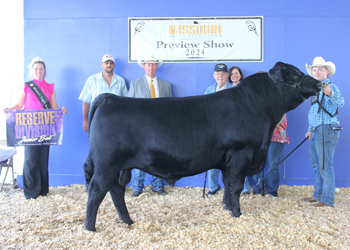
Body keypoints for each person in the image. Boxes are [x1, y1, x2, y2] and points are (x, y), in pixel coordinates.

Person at [3, 56, 67, 199]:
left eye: (41, 69)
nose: (38, 71)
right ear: (32, 71)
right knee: (30, 160)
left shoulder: (50, 87)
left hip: (45, 129)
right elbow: (19, 106)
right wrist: (10, 109)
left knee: (43, 159)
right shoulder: (27, 86)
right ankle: (31, 191)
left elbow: (54, 107)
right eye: (36, 69)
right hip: (29, 129)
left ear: (45, 71)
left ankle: (43, 190)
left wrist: (61, 110)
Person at [128, 54, 172, 197]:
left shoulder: (166, 86)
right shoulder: (135, 84)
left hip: (160, 127)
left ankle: (158, 185)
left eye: (153, 64)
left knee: (159, 156)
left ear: (156, 67)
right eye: (148, 64)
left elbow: (170, 108)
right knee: (138, 157)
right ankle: (137, 187)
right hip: (140, 128)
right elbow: (130, 107)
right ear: (144, 67)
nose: (151, 67)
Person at [302, 57, 344, 207]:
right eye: (314, 69)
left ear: (327, 71)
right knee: (317, 165)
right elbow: (314, 111)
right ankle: (318, 194)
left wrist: (330, 93)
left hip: (326, 129)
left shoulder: (330, 87)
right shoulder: (315, 89)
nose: (317, 71)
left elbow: (341, 102)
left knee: (325, 165)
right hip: (316, 130)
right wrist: (309, 129)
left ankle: (327, 199)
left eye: (320, 69)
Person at [204, 64, 234, 195]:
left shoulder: (234, 90)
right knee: (212, 159)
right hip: (213, 131)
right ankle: (214, 187)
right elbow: (204, 111)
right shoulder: (209, 90)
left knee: (234, 160)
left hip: (231, 131)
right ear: (214, 76)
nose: (220, 76)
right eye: (218, 74)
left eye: (223, 74)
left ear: (227, 75)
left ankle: (237, 188)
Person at [79, 54, 128, 132]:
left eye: (111, 63)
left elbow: (126, 102)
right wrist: (85, 120)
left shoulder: (120, 81)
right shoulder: (92, 80)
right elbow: (86, 101)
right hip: (97, 119)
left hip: (116, 120)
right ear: (102, 64)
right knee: (98, 143)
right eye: (106, 63)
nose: (109, 65)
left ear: (114, 65)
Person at [251, 114, 290, 197]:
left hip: (276, 136)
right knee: (257, 163)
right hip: (258, 136)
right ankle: (258, 190)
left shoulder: (279, 103)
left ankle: (271, 191)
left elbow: (278, 119)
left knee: (272, 164)